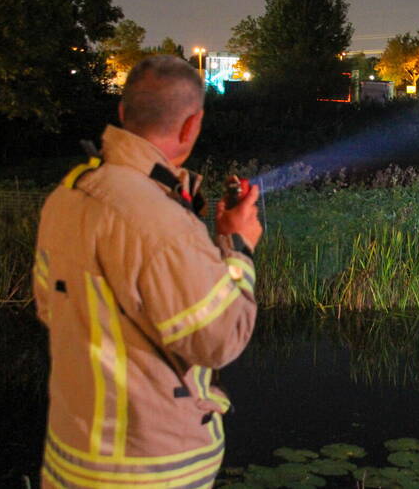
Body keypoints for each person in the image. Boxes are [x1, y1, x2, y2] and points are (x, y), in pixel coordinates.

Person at [32, 55, 262, 488]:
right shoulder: (159, 220)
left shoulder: (68, 194)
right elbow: (220, 340)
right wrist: (240, 247)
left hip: (71, 459)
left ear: (122, 113)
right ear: (191, 125)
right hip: (151, 468)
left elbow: (50, 308)